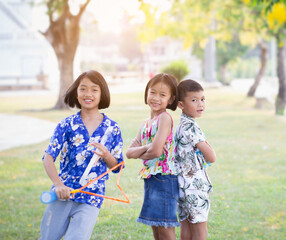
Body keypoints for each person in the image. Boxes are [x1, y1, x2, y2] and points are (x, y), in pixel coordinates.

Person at [39, 70, 124, 240]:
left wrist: (106, 155)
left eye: (94, 89)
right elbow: (48, 158)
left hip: (91, 198)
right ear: (76, 92)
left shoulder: (112, 128)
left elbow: (117, 167)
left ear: (102, 94)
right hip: (63, 194)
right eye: (83, 89)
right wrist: (58, 184)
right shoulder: (67, 124)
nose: (88, 94)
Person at [126, 73, 179, 240]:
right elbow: (128, 153)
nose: (156, 98)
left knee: (164, 228)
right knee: (156, 228)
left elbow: (157, 152)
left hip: (165, 179)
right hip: (151, 178)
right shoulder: (145, 123)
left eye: (163, 95)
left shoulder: (164, 118)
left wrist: (143, 152)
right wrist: (148, 146)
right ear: (146, 93)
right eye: (152, 92)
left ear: (170, 100)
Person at [175, 79, 216, 240]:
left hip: (182, 185)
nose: (200, 104)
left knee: (186, 227)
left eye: (202, 99)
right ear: (181, 104)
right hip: (194, 186)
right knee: (199, 232)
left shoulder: (180, 125)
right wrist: (207, 144)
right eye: (194, 100)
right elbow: (211, 157)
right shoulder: (191, 127)